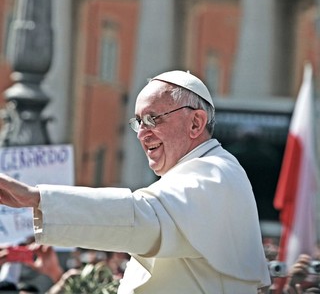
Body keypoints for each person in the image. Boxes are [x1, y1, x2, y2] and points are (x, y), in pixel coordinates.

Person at [0, 70, 271, 293]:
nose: (142, 134)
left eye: (152, 119)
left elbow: (143, 216)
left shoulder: (216, 173)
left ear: (195, 123)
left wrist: (37, 198)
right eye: (138, 122)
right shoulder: (194, 175)